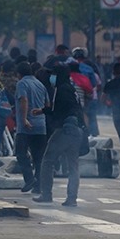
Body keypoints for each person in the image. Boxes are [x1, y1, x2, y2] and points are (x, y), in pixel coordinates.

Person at [32, 64, 83, 206]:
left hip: (64, 129)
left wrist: (43, 111)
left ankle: (46, 194)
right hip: (76, 130)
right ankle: (72, 198)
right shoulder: (72, 89)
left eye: (54, 74)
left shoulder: (61, 90)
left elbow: (58, 111)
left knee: (47, 161)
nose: (51, 77)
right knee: (73, 165)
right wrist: (43, 111)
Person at [14, 62, 48, 194]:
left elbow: (24, 99)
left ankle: (29, 179)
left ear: (19, 74)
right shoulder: (40, 84)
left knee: (21, 153)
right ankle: (38, 185)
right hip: (41, 125)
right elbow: (47, 103)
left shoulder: (22, 83)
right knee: (38, 157)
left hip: (26, 126)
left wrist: (24, 119)